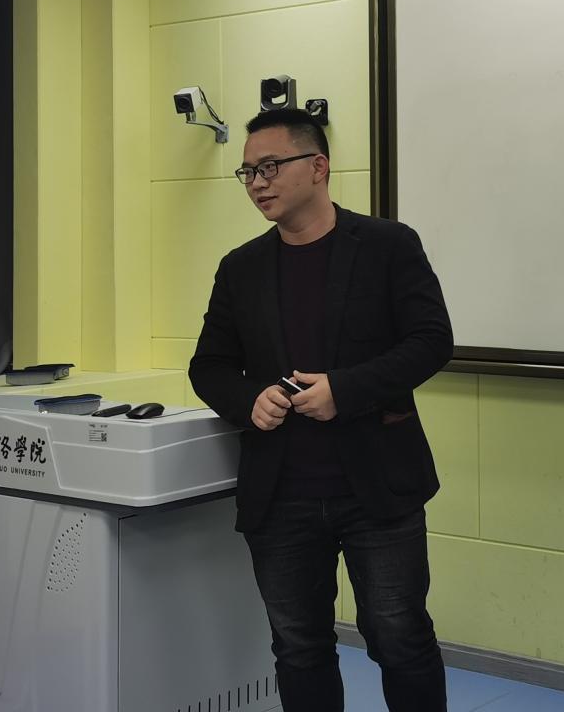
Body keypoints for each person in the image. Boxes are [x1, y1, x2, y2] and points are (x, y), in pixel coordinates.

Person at [189, 107, 453, 712]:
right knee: (299, 646)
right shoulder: (241, 268)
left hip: (377, 487)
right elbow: (210, 366)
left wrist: (345, 390)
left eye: (270, 167)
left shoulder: (388, 245)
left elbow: (431, 341)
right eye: (248, 172)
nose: (257, 183)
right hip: (280, 493)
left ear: (318, 166)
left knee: (399, 637)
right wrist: (249, 399)